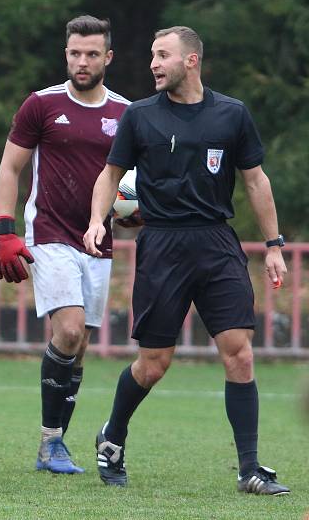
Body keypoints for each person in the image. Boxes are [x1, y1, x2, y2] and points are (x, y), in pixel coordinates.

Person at [83, 26, 290, 495]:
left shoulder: (232, 114)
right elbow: (111, 174)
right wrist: (99, 219)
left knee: (239, 352)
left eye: (163, 55)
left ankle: (249, 469)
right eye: (153, 55)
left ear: (190, 60)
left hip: (217, 243)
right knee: (154, 363)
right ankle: (112, 435)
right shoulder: (139, 116)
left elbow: (256, 181)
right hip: (162, 245)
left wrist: (274, 245)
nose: (153, 64)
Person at [0, 16, 130, 474]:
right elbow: (10, 168)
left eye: (92, 53)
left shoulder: (127, 113)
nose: (82, 61)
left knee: (79, 345)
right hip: (48, 232)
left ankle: (53, 444)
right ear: (65, 54)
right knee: (69, 331)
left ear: (107, 58)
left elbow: (133, 186)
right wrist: (4, 229)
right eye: (75, 52)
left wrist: (135, 213)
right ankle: (51, 443)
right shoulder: (42, 105)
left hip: (98, 240)